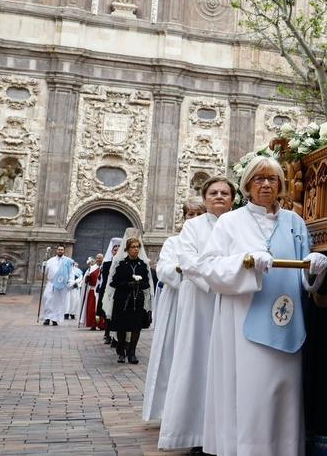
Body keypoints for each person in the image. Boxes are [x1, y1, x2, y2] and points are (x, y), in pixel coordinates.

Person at [181, 156, 327, 456]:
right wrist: (245, 263)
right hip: (244, 319)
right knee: (252, 391)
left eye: (272, 179)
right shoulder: (231, 222)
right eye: (259, 179)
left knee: (285, 391)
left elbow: (304, 273)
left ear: (281, 185)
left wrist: (315, 267)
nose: (265, 184)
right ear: (247, 185)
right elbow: (208, 267)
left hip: (288, 321)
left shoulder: (294, 222)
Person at [158, 179, 236, 450]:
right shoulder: (193, 227)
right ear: (205, 198)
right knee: (196, 362)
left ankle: (226, 435)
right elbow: (188, 261)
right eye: (213, 193)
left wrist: (231, 282)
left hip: (233, 299)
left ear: (233, 198)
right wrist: (219, 281)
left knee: (229, 365)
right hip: (200, 301)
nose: (219, 197)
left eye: (224, 193)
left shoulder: (239, 223)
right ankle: (194, 436)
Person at [144, 201, 203, 423]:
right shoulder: (173, 242)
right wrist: (185, 273)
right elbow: (163, 268)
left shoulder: (211, 238)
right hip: (178, 300)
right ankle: (167, 410)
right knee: (173, 352)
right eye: (190, 214)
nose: (194, 217)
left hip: (202, 300)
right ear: (184, 217)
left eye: (199, 213)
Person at [109, 235, 152, 364]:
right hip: (122, 300)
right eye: (133, 247)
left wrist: (139, 284)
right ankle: (121, 351)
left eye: (138, 247)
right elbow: (114, 282)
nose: (136, 249)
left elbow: (147, 283)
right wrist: (128, 284)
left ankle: (132, 352)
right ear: (127, 249)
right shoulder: (121, 264)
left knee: (136, 327)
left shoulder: (142, 265)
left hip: (137, 300)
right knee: (122, 326)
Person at [40, 246, 74, 326]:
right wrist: (43, 266)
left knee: (58, 302)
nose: (60, 251)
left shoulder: (68, 261)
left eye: (62, 250)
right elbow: (44, 272)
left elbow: (71, 272)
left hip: (61, 285)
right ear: (56, 251)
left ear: (64, 251)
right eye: (59, 249)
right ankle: (47, 318)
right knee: (48, 299)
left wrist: (70, 281)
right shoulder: (50, 261)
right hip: (51, 283)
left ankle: (55, 319)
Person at [97, 238, 122, 345]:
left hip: (119, 291)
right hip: (108, 291)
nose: (116, 251)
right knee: (108, 313)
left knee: (117, 315)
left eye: (118, 249)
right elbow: (104, 280)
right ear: (112, 252)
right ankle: (107, 334)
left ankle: (115, 337)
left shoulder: (123, 263)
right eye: (115, 250)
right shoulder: (106, 264)